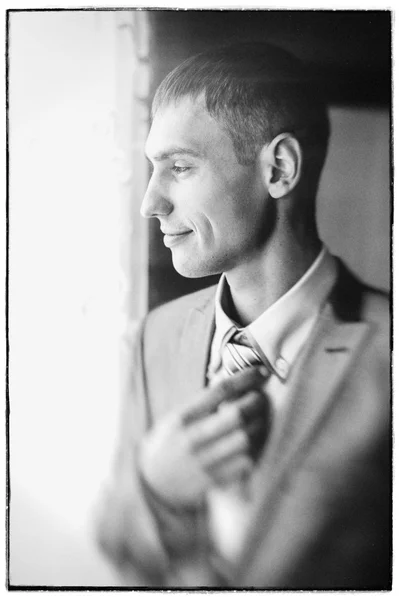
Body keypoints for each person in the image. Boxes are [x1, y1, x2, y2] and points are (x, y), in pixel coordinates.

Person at [95, 42, 391, 589]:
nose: (150, 203)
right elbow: (115, 542)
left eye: (179, 167)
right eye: (151, 170)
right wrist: (155, 487)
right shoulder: (154, 338)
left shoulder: (387, 354)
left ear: (279, 168)